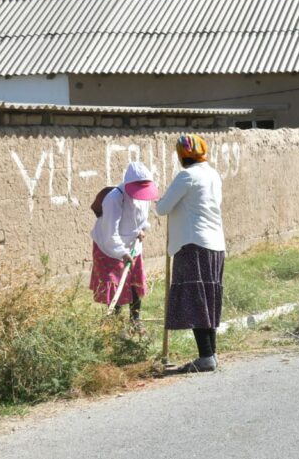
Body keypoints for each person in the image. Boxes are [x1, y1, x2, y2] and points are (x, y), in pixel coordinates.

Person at [156, 134, 226, 374]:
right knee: (208, 298)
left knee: (197, 300)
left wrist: (161, 197)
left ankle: (206, 357)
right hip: (215, 244)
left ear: (182, 155)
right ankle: (211, 354)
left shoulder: (187, 176)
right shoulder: (213, 174)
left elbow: (162, 207)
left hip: (193, 243)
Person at [89, 162, 159, 326]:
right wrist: (122, 252)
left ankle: (135, 321)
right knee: (116, 287)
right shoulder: (114, 198)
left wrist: (142, 229)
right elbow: (110, 233)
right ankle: (114, 326)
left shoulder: (144, 196)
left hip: (132, 245)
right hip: (109, 247)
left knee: (135, 283)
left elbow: (141, 219)